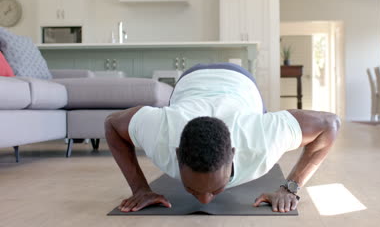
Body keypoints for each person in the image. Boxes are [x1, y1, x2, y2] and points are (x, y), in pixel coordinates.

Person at [105, 63, 340, 213]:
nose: (205, 202)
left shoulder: (263, 138)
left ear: (234, 154)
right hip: (191, 79)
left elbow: (330, 124)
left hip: (240, 81)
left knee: (259, 112)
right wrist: (139, 188)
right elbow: (112, 125)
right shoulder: (160, 132)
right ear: (176, 153)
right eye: (191, 188)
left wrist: (291, 188)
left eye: (217, 189)